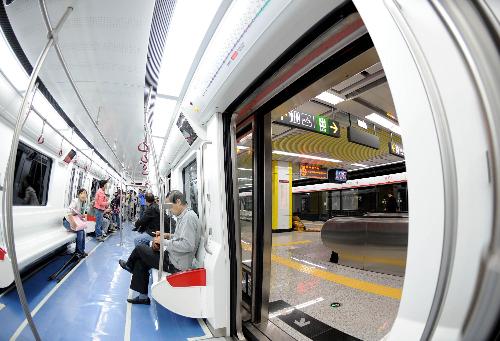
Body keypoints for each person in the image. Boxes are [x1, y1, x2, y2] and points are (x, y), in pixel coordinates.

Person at [118, 190, 201, 304]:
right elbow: (180, 237)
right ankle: (143, 297)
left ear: (178, 202)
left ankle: (129, 266)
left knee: (140, 248)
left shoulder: (188, 218)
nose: (170, 211)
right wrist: (167, 235)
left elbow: (187, 245)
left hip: (175, 264)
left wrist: (164, 241)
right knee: (141, 259)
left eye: (170, 206)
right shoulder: (184, 216)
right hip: (172, 256)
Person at [63, 188, 88, 258]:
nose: (84, 195)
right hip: (67, 221)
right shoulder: (75, 201)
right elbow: (69, 212)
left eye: (85, 193)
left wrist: (83, 216)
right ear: (78, 194)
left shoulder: (83, 203)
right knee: (80, 231)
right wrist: (73, 223)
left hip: (74, 220)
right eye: (82, 193)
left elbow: (78, 215)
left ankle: (81, 251)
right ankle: (79, 252)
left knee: (83, 231)